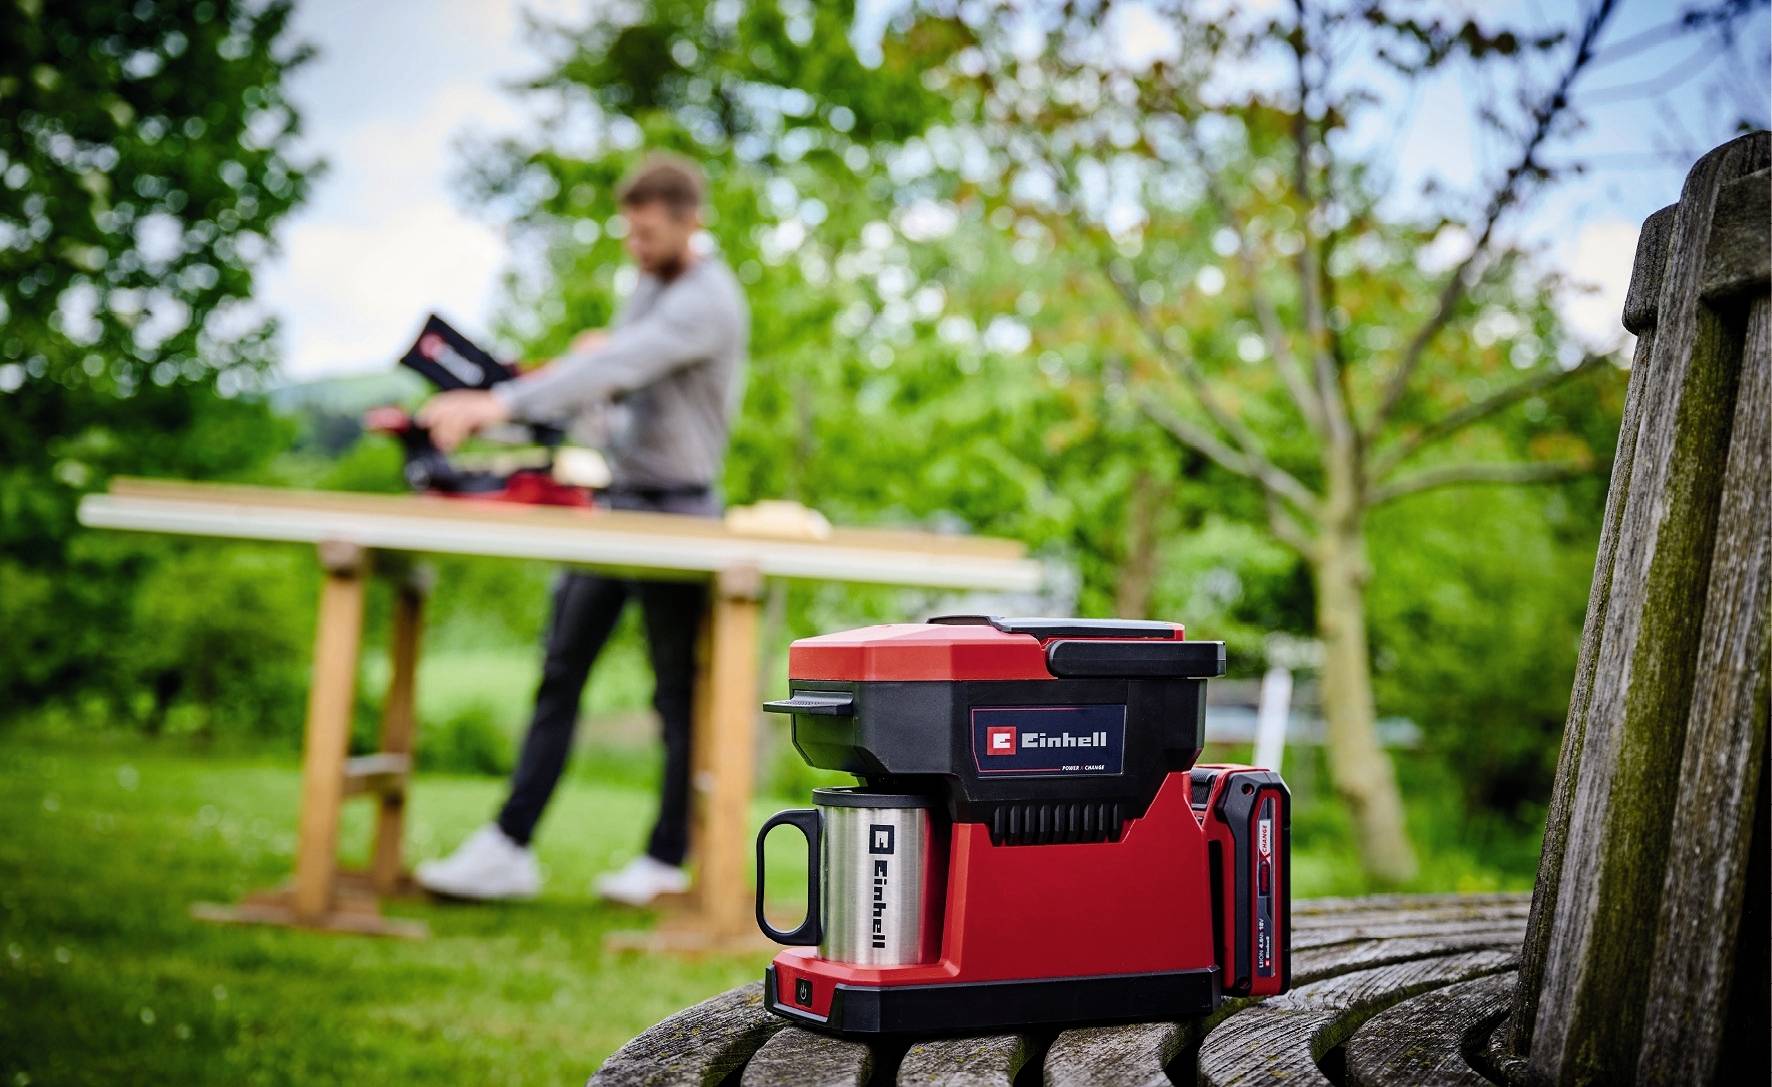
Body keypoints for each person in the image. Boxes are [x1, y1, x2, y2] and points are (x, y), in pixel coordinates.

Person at [412, 153, 748, 905]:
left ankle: (667, 858)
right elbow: (614, 390)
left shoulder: (707, 300)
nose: (634, 245)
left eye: (648, 233)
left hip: (681, 512)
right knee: (561, 667)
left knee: (673, 693)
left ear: (690, 222)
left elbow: (624, 363)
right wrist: (572, 379)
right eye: (628, 232)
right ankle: (509, 844)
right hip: (620, 504)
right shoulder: (648, 286)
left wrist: (503, 400)